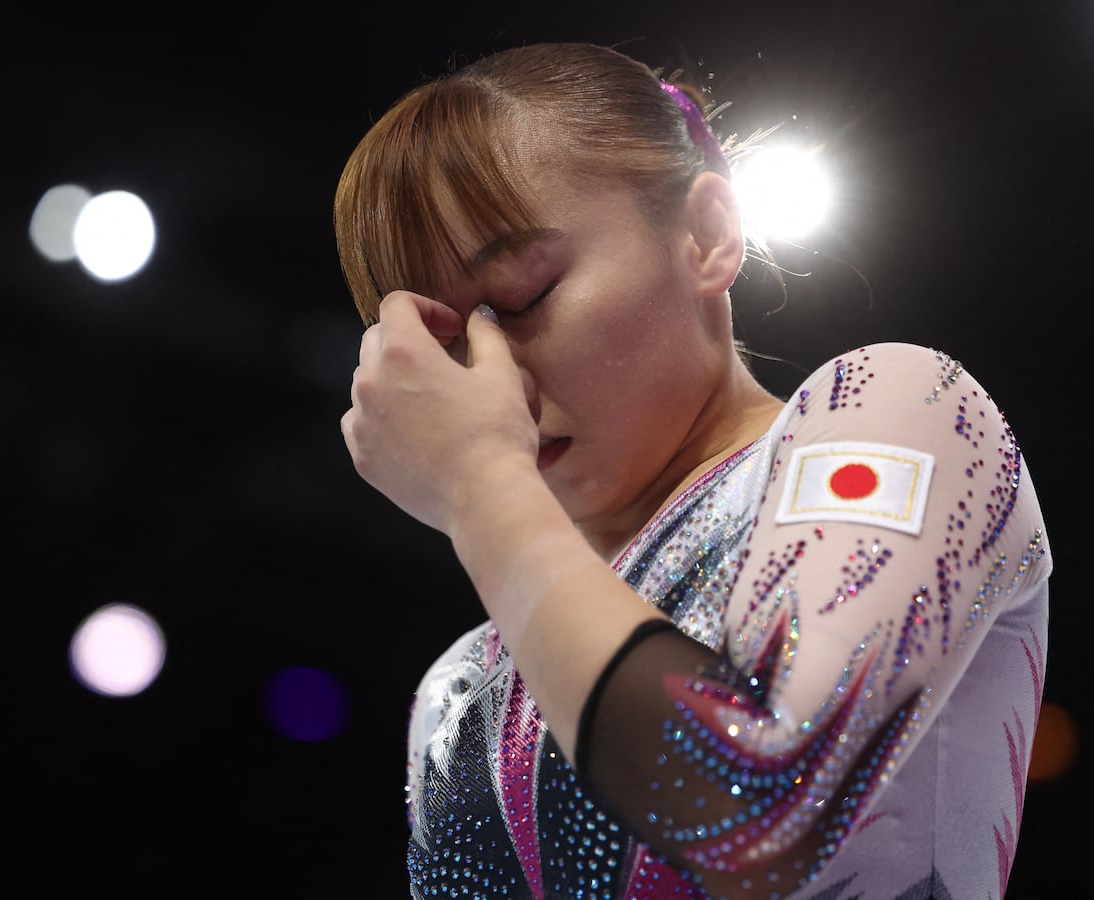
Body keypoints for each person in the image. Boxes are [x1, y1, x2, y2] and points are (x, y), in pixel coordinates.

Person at [332, 41, 1052, 900]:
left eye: (522, 299)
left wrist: (480, 478)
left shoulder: (903, 406)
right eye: (446, 346)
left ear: (705, 235)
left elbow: (749, 804)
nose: (487, 382)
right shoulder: (459, 690)